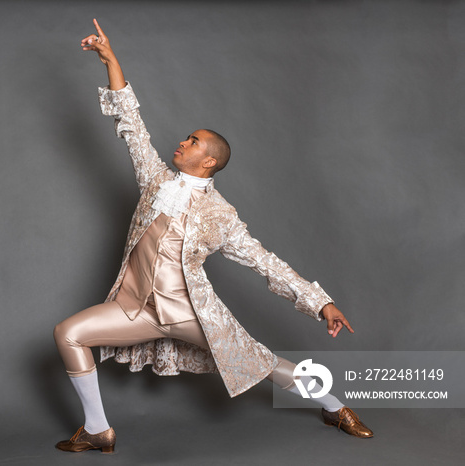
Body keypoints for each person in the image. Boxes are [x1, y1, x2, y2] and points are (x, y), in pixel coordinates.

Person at [53, 19, 373, 454]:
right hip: (135, 309)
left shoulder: (220, 214)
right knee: (68, 333)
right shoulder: (155, 180)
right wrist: (110, 59)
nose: (182, 143)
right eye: (186, 137)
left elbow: (265, 261)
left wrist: (321, 303)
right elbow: (131, 123)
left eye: (193, 141)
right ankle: (97, 430)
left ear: (209, 162)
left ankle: (335, 407)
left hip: (192, 314)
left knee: (264, 365)